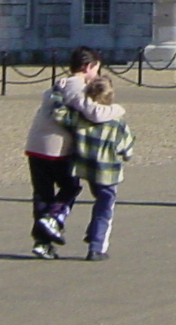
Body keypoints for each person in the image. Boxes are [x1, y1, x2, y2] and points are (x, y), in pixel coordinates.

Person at [23, 46, 104, 258]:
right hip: (57, 148)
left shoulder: (58, 85)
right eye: (96, 69)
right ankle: (53, 219)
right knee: (70, 187)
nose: (97, 74)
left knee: (43, 193)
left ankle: (43, 242)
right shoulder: (77, 87)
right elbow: (94, 113)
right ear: (88, 66)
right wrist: (117, 111)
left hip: (35, 144)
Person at [55, 74, 133, 260]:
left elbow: (58, 113)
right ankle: (96, 246)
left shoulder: (79, 117)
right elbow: (126, 148)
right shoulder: (118, 122)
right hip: (108, 171)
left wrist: (58, 93)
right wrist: (125, 154)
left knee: (98, 199)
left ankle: (90, 233)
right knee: (105, 207)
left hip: (85, 166)